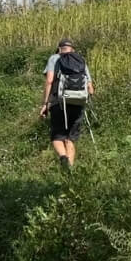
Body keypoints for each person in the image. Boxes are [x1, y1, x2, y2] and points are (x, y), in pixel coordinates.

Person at [39, 38, 94, 170]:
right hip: (78, 103)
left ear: (59, 49)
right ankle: (70, 171)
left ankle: (63, 157)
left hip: (58, 102)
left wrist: (45, 103)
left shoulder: (54, 58)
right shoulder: (80, 60)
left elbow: (49, 81)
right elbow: (91, 89)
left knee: (57, 137)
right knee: (70, 139)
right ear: (72, 49)